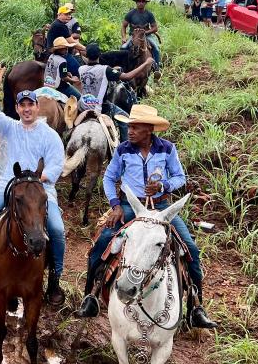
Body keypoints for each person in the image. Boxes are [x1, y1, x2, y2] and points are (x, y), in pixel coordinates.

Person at [77, 105, 216, 329]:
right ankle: (90, 296)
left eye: (135, 127)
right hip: (131, 206)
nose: (129, 131)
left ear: (149, 130)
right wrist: (115, 206)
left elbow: (180, 177)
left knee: (190, 249)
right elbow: (109, 179)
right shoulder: (123, 150)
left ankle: (196, 307)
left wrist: (163, 185)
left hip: (161, 207)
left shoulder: (167, 149)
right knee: (103, 243)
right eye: (129, 127)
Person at [0, 75, 67, 305]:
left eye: (30, 105)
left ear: (37, 107)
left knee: (57, 228)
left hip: (40, 189)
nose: (27, 109)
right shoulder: (9, 128)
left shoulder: (50, 135)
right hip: (6, 185)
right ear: (17, 108)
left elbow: (56, 165)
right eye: (22, 105)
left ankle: (55, 279)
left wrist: (35, 180)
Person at [77, 44, 152, 140]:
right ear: (99, 54)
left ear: (86, 55)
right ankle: (125, 147)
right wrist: (145, 64)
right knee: (125, 119)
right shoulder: (105, 70)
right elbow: (127, 76)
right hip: (101, 107)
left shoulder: (81, 69)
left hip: (83, 105)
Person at [121, 0, 162, 71]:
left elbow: (155, 28)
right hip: (134, 36)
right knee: (123, 47)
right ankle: (123, 67)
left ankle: (157, 67)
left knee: (156, 48)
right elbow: (124, 26)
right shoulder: (131, 14)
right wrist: (124, 37)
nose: (141, 3)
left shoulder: (149, 14)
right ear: (136, 2)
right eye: (139, 1)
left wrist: (145, 32)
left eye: (143, 2)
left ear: (145, 3)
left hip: (146, 35)